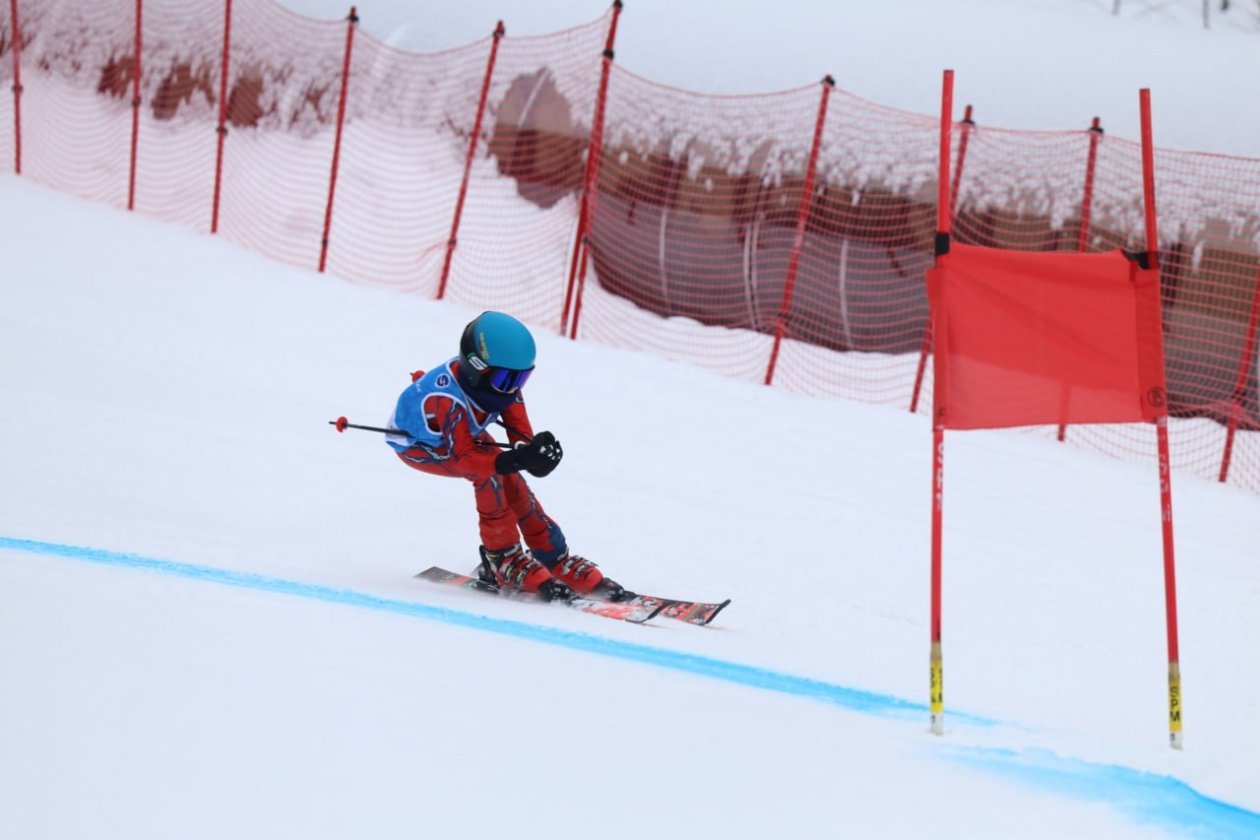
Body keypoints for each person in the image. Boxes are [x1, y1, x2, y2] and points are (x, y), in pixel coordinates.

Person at [385, 311, 623, 603]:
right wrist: (511, 460)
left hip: (465, 434)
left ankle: (554, 557)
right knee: (490, 473)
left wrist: (533, 453)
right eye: (505, 378)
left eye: (520, 378)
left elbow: (519, 438)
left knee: (510, 474)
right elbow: (464, 460)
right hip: (423, 447)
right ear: (476, 368)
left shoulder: (500, 388)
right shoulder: (446, 400)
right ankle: (503, 558)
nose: (512, 387)